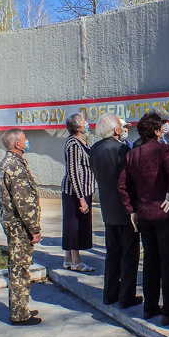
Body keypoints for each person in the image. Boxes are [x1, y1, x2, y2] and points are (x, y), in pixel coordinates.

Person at [118, 112, 169, 327]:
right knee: (168, 263)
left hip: (144, 214)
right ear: (157, 131)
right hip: (165, 213)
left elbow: (122, 185)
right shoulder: (163, 150)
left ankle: (150, 306)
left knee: (150, 261)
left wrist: (131, 209)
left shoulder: (133, 154)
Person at [90, 114, 142, 308]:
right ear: (116, 130)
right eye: (121, 126)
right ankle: (126, 296)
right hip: (125, 208)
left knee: (112, 254)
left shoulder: (94, 149)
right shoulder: (122, 149)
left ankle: (110, 294)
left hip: (107, 207)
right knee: (129, 254)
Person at [0, 128, 43, 326]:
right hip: (19, 226)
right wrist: (34, 228)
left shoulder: (10, 163)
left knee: (20, 268)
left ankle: (20, 307)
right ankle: (19, 314)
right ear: (17, 144)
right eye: (24, 139)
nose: (27, 141)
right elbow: (23, 202)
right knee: (20, 269)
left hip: (14, 224)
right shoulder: (14, 166)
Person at [61, 113, 96, 272]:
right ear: (77, 126)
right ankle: (76, 261)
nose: (86, 123)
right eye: (83, 121)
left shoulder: (82, 141)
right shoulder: (73, 144)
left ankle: (68, 258)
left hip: (84, 190)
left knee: (74, 224)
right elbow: (73, 171)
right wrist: (81, 198)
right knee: (74, 225)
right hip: (75, 192)